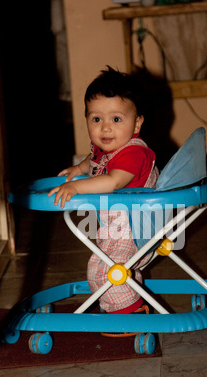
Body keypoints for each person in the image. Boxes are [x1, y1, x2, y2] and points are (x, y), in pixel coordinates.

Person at [48, 66, 158, 317]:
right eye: (96, 119)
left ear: (137, 122)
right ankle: (127, 300)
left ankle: (131, 313)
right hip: (116, 229)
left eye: (116, 119)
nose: (105, 128)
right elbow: (95, 161)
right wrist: (79, 168)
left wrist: (75, 187)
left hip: (136, 230)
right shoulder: (106, 149)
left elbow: (113, 181)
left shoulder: (134, 153)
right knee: (112, 266)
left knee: (103, 270)